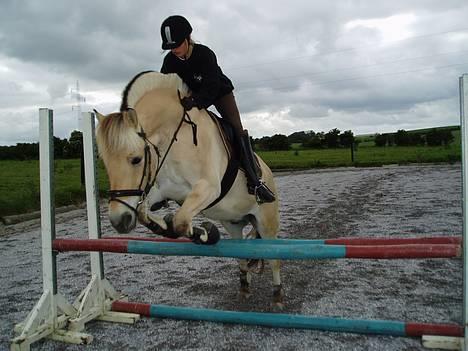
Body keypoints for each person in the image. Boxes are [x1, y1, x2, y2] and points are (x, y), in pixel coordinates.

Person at [159, 15, 275, 204]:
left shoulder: (205, 54)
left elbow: (211, 87)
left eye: (178, 44)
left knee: (236, 128)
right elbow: (164, 85)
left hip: (219, 93)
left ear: (188, 39)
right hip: (191, 97)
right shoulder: (170, 61)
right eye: (170, 47)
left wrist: (196, 100)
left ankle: (255, 181)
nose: (174, 50)